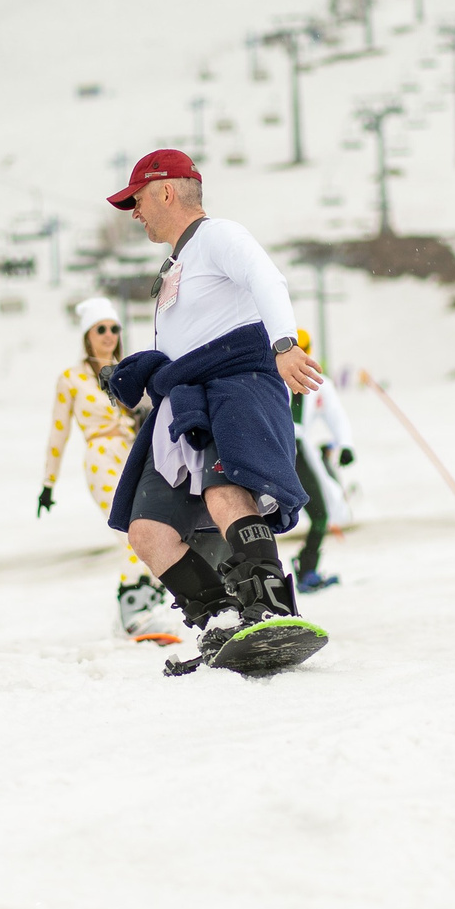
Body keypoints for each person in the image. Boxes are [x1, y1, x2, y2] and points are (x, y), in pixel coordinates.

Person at [99, 148, 323, 674]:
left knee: (226, 492)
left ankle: (270, 606)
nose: (135, 213)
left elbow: (268, 279)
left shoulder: (219, 235)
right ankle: (220, 619)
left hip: (234, 386)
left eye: (137, 200)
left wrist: (284, 343)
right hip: (185, 402)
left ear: (166, 191)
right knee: (147, 532)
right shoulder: (177, 263)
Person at [39, 296, 176, 638]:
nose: (109, 335)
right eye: (100, 329)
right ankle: (134, 610)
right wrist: (48, 483)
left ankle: (146, 603)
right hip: (100, 455)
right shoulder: (71, 378)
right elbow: (58, 432)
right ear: (87, 334)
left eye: (114, 328)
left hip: (133, 453)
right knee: (129, 532)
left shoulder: (127, 371)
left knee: (152, 526)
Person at [288, 327, 355, 591]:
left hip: (298, 451)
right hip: (272, 450)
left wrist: (345, 444)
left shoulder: (319, 384)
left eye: (303, 350)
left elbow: (336, 415)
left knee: (319, 513)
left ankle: (307, 570)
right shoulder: (270, 379)